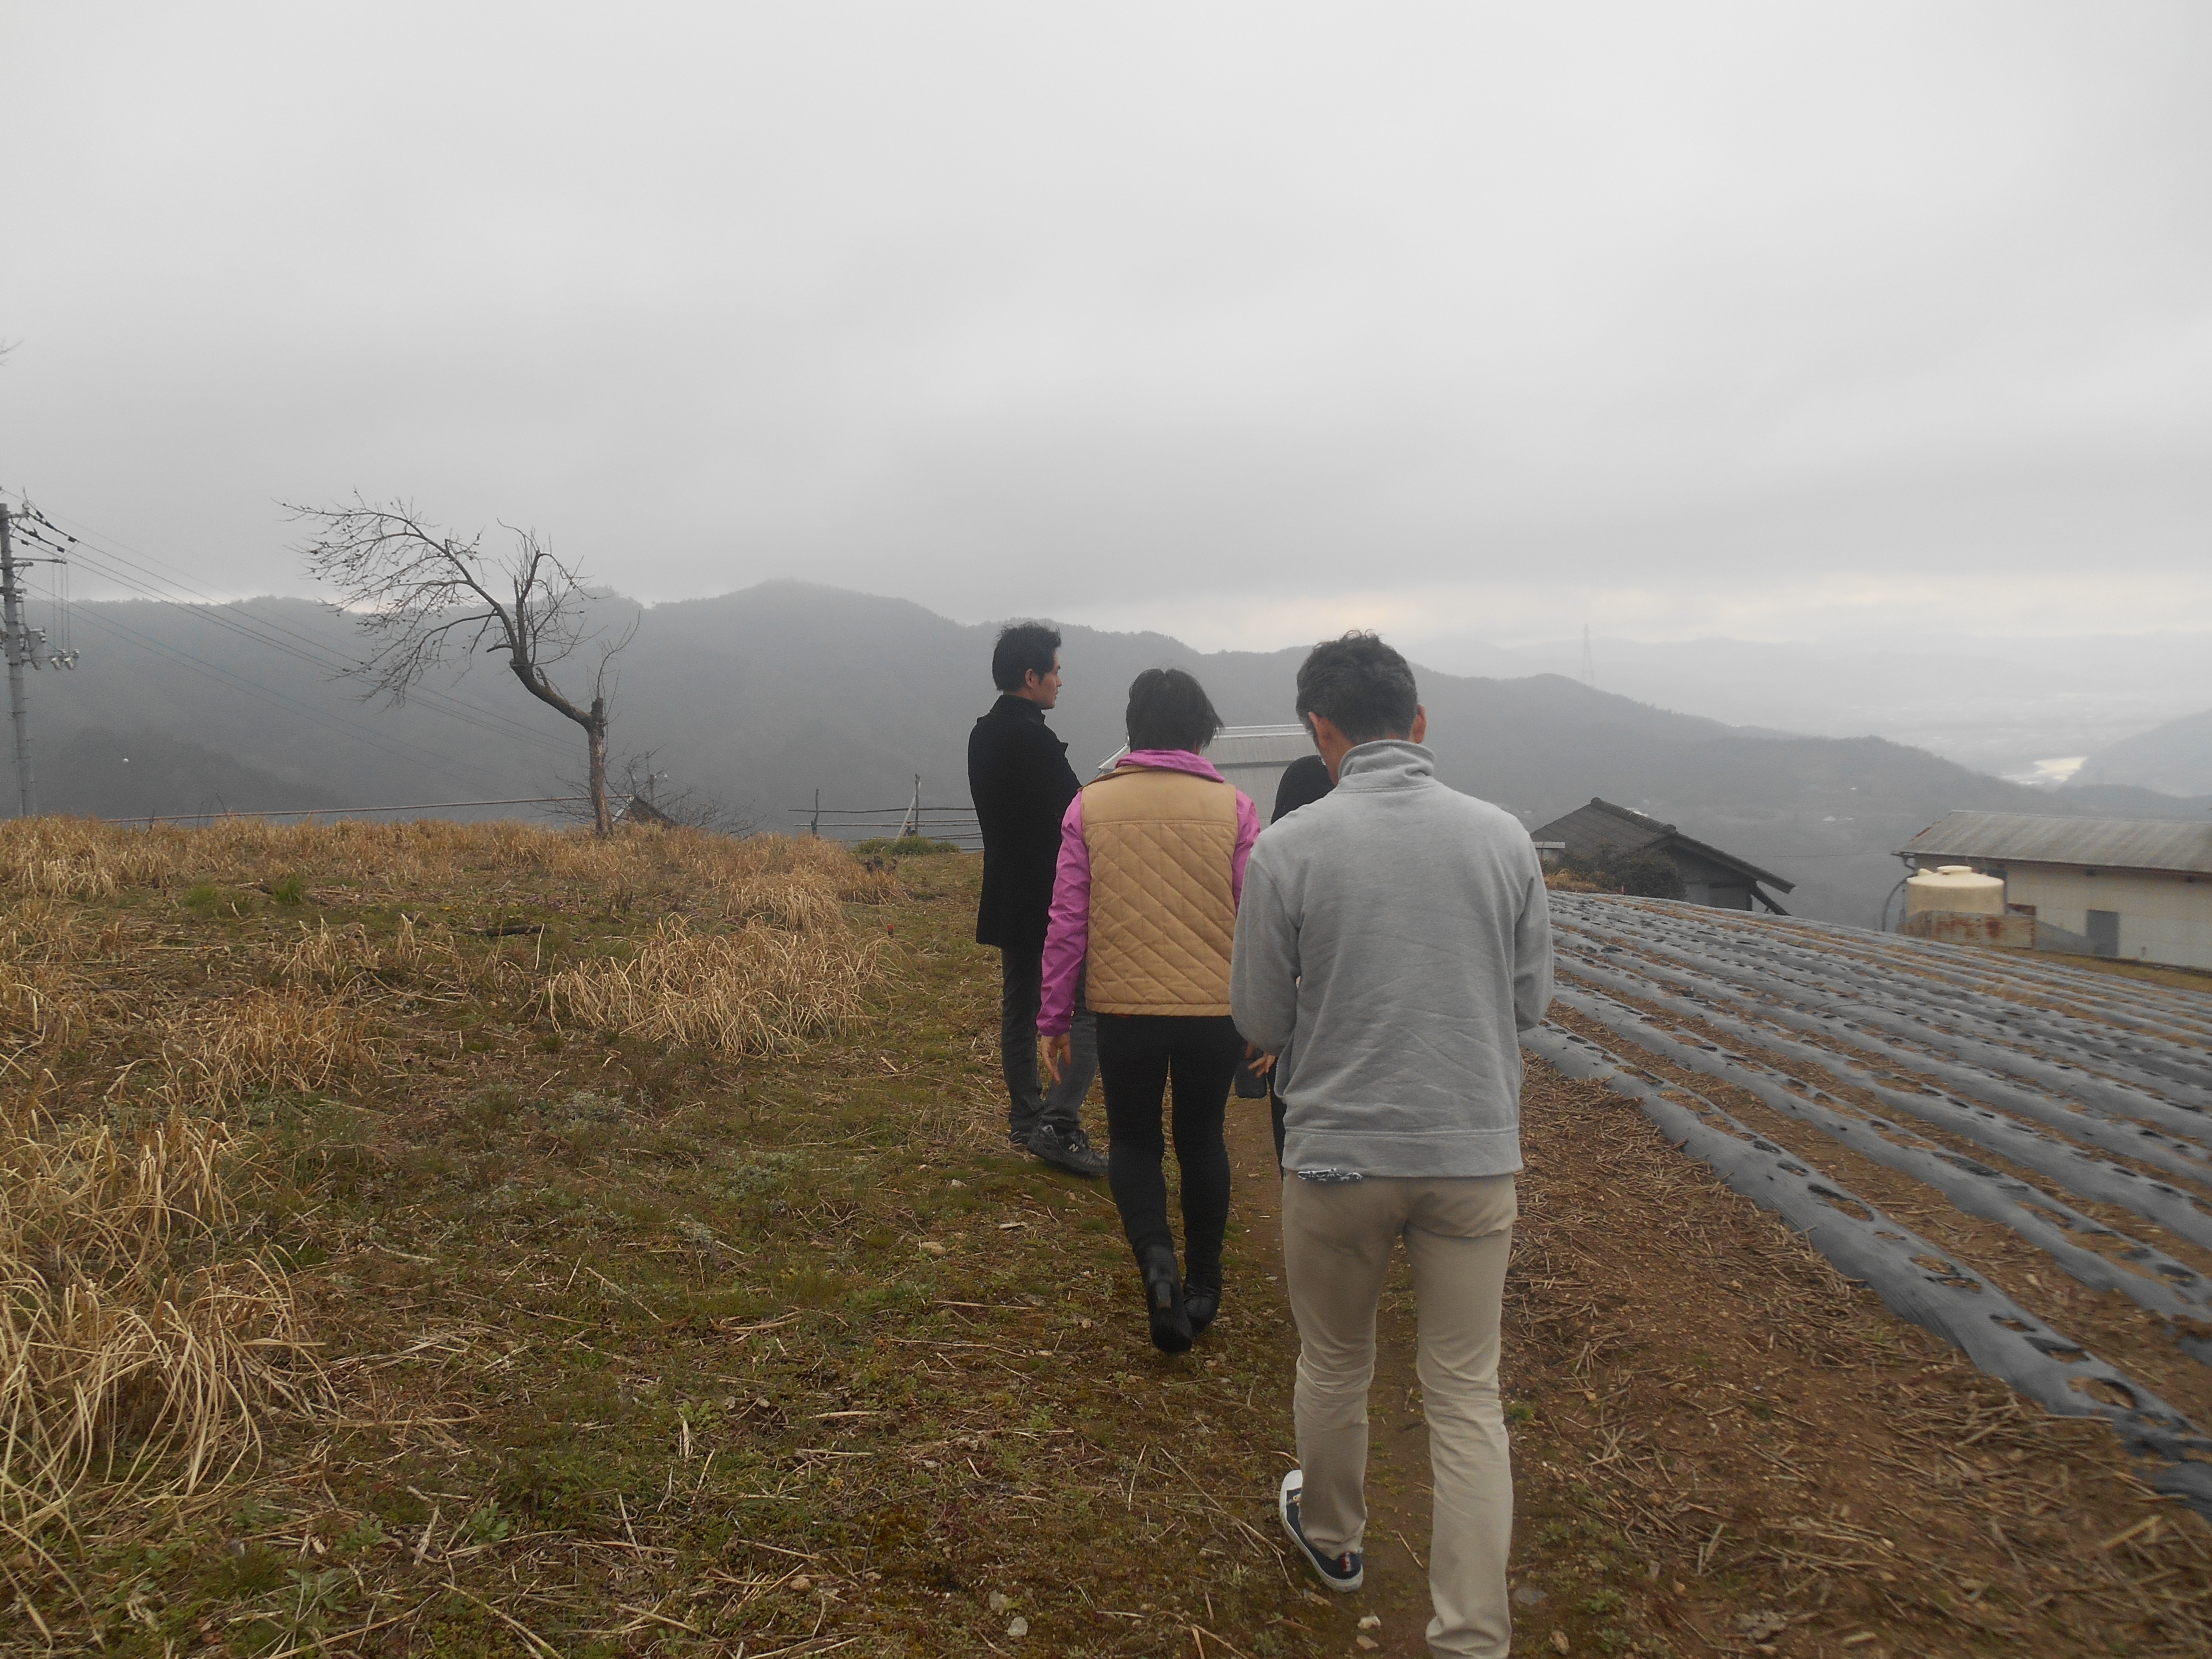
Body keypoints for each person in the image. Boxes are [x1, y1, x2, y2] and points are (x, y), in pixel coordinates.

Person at [1231, 632, 1552, 1658]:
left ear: (1318, 732)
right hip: (1471, 1152)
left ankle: (1332, 1540)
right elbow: (1529, 1003)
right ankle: (1471, 1633)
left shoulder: (1288, 848)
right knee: (1464, 1392)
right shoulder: (1502, 839)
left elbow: (1259, 1021)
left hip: (1336, 1156)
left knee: (1334, 1360)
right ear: (1417, 723)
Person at [1037, 668, 1261, 1352]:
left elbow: (1067, 922)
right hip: (1215, 1010)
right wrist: (1268, 1015)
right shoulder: (1235, 809)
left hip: (1124, 1008)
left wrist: (1053, 1018)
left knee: (1135, 1141)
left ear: (1134, 728)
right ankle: (1205, 1284)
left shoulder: (1090, 807)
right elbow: (1258, 919)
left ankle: (1158, 1264)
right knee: (1202, 1141)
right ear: (1202, 730)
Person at [967, 622, 1107, 1179]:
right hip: (1054, 895)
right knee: (1086, 1006)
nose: (1060, 682)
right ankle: (1058, 1123)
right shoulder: (1036, 741)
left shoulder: (983, 734)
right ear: (1032, 677)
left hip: (1007, 890)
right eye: (1055, 672)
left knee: (1019, 1005)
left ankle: (1026, 1118)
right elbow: (1077, 811)